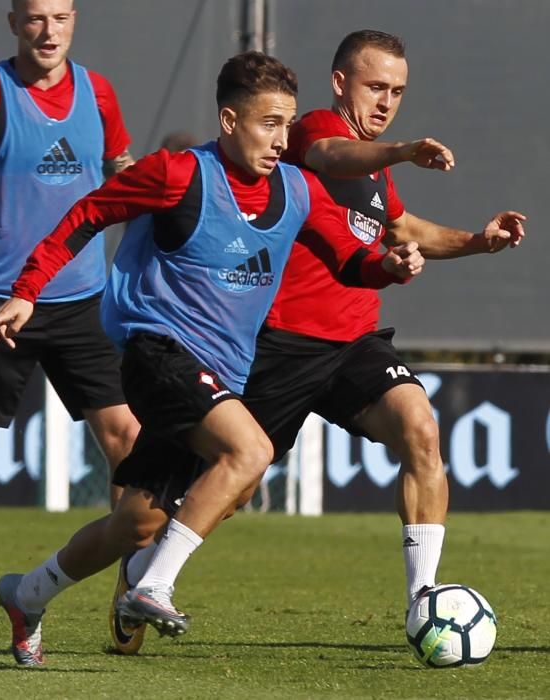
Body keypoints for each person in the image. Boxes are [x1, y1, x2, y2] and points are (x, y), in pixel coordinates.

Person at [0, 50, 425, 667]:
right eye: (268, 124)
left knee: (134, 523)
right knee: (250, 451)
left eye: (289, 124)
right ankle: (152, 586)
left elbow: (351, 260)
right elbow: (88, 213)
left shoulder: (296, 188)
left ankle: (27, 594)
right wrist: (27, 292)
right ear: (228, 119)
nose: (282, 139)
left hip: (223, 371)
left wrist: (390, 265)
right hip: (155, 349)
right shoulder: (177, 174)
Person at [103, 31, 526, 656]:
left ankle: (424, 606)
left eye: (398, 92)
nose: (385, 102)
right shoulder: (309, 132)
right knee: (229, 488)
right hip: (280, 345)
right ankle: (143, 577)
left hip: (354, 341)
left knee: (421, 428)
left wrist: (478, 241)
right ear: (339, 82)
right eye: (375, 87)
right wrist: (405, 150)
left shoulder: (376, 163)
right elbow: (330, 155)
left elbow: (402, 227)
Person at [0, 0, 140, 504]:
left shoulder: (99, 93)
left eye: (61, 18)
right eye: (35, 19)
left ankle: (132, 585)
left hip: (82, 299)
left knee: (130, 442)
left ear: (74, 20)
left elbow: (121, 169)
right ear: (13, 24)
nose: (49, 32)